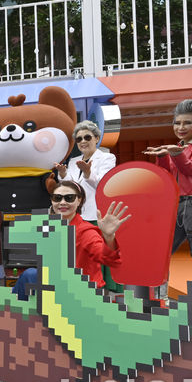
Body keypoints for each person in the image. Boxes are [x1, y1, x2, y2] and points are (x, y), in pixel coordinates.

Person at [144, 99, 192, 313]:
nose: (180, 128)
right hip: (176, 205)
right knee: (160, 252)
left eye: (187, 123)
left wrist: (175, 154)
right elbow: (169, 175)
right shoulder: (176, 147)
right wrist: (162, 157)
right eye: (177, 123)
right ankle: (159, 298)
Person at [12, 181, 129, 300]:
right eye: (57, 198)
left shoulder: (86, 232)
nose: (62, 202)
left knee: (30, 275)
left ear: (79, 200)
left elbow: (107, 258)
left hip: (80, 293)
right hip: (57, 285)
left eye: (69, 198)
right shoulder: (51, 226)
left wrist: (108, 237)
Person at [54, 120, 120, 293]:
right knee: (80, 256)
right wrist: (62, 175)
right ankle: (80, 287)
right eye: (79, 139)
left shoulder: (107, 157)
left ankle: (103, 290)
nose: (82, 141)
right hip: (76, 213)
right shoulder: (74, 160)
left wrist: (89, 173)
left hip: (95, 212)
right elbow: (70, 186)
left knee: (98, 252)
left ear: (96, 138)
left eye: (87, 137)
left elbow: (105, 186)